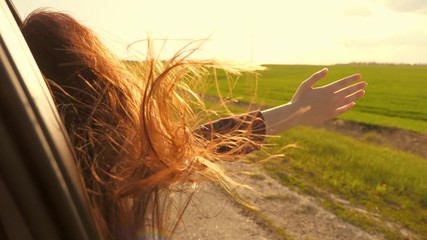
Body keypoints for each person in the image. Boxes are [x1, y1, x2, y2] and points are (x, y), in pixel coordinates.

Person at [21, 10, 366, 240]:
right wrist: (296, 112)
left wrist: (296, 111)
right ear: (97, 82)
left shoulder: (27, 166)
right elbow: (195, 145)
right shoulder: (114, 165)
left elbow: (195, 142)